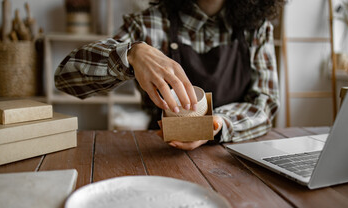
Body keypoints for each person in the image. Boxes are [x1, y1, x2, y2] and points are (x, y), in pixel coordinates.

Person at [55, 0, 285, 150]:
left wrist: (214, 125)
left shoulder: (256, 29)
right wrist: (132, 54)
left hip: (236, 154)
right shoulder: (148, 24)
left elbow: (266, 103)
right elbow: (65, 79)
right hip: (160, 151)